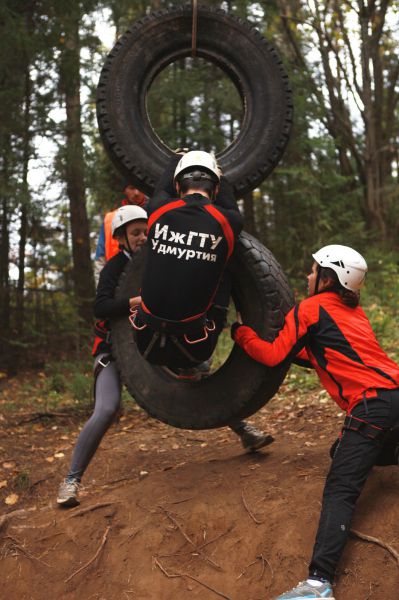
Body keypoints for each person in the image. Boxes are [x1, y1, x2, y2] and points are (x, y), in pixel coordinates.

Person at [231, 244, 399, 600]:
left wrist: (240, 335)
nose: (308, 277)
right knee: (343, 449)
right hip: (394, 395)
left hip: (372, 406)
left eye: (312, 271)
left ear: (328, 277)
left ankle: (318, 584)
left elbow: (275, 354)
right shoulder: (355, 314)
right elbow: (318, 352)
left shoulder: (309, 308)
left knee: (341, 487)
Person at [130, 149, 274, 453]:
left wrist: (174, 158)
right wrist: (221, 170)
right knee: (225, 270)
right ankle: (197, 371)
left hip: (144, 340)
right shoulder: (229, 221)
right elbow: (227, 198)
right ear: (216, 188)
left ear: (179, 186)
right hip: (196, 346)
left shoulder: (156, 211)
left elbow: (161, 188)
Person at [57, 205, 148, 507]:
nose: (142, 237)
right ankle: (71, 481)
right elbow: (101, 307)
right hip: (110, 349)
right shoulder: (114, 267)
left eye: (145, 231)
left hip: (145, 348)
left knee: (190, 377)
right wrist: (136, 301)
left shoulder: (153, 263)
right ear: (121, 237)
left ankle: (241, 428)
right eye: (136, 233)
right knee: (107, 408)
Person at [94, 181, 146, 283]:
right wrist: (101, 291)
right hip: (116, 283)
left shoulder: (158, 213)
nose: (136, 192)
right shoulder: (110, 219)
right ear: (124, 191)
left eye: (140, 187)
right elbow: (100, 259)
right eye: (131, 188)